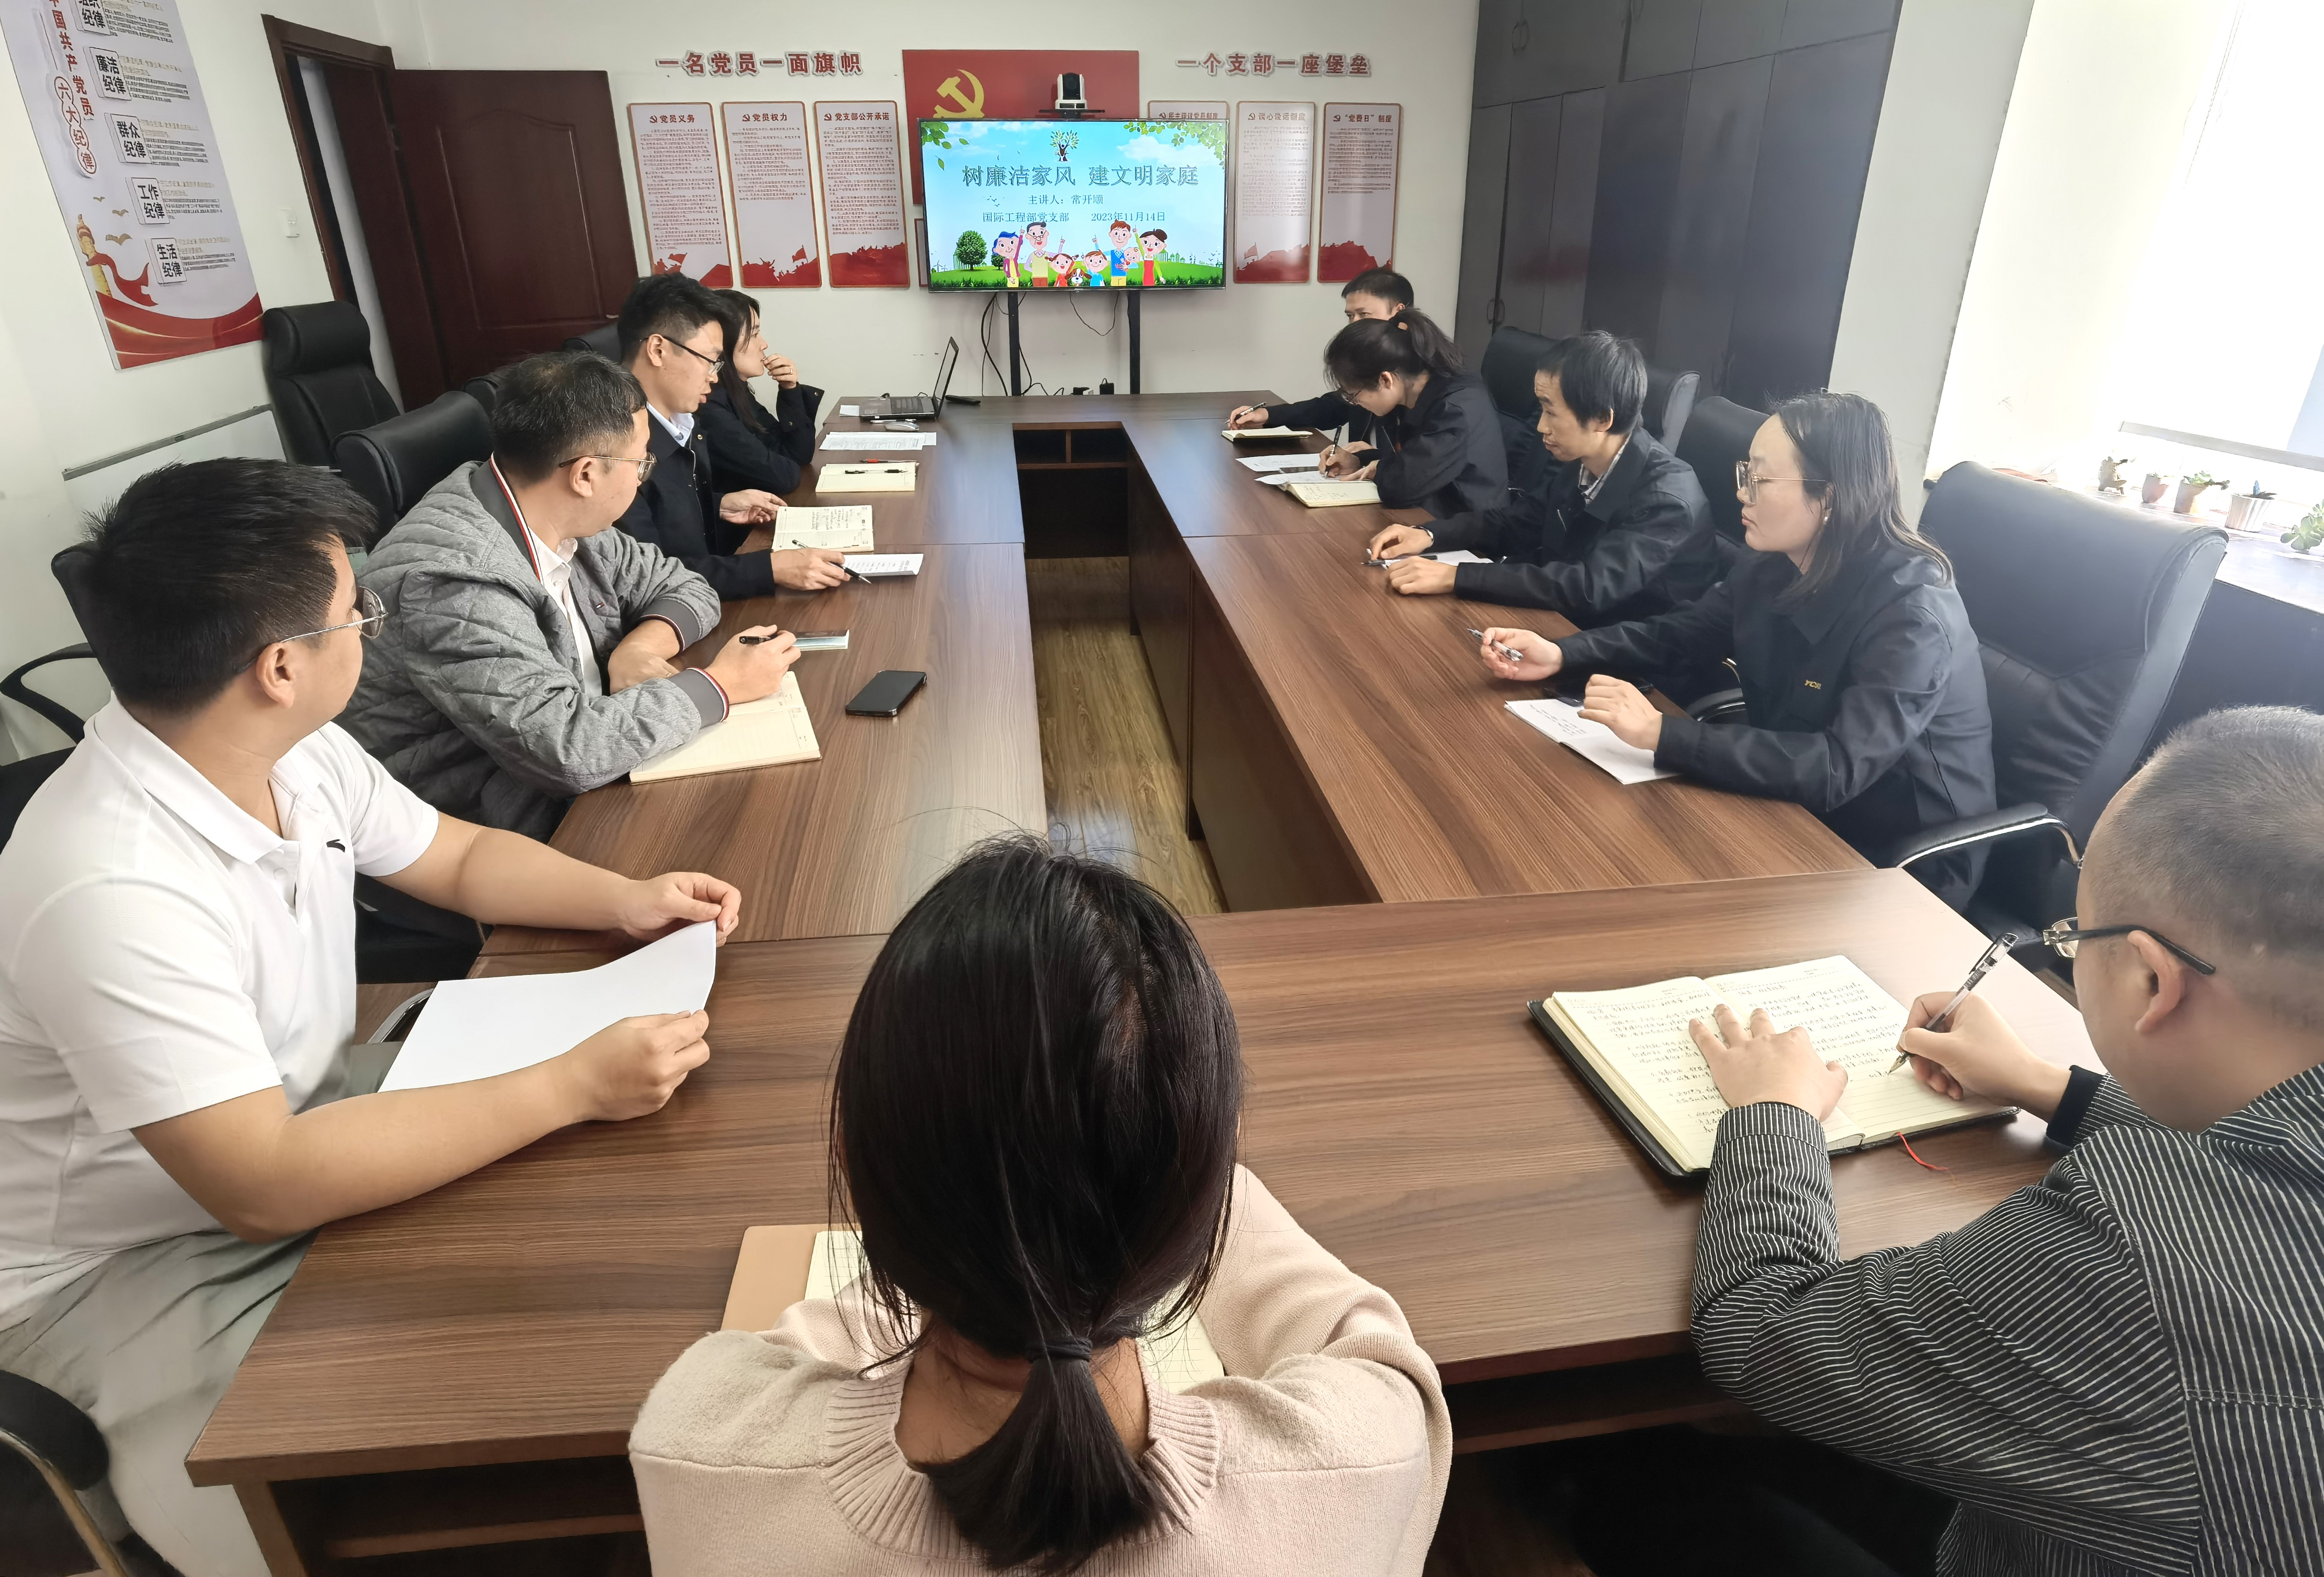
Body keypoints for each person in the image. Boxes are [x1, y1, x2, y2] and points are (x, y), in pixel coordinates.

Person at [0, 458, 743, 1577]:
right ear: (280, 664)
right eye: (359, 611)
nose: (370, 628)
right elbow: (260, 1184)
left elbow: (457, 854)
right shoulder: (108, 882)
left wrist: (626, 899)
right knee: (440, 1432)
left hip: (283, 1120)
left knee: (603, 1232)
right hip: (123, 1258)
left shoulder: (283, 745)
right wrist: (567, 1082)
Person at [1619, 704, 2324, 1575]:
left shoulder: (2141, 1243)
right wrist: (2046, 1085)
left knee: (1647, 1482)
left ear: (2151, 978)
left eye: (2074, 936)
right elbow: (2271, 1154)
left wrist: (1774, 1114)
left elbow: (1762, 1332)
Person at [630, 838, 1451, 1575]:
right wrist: (1181, 1164)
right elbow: (1374, 1347)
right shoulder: (1363, 1452)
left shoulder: (697, 1438)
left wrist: (964, 1237)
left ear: (852, 1162)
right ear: (1202, 1189)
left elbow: (797, 1357)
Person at [1476, 390, 1995, 908]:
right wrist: (1562, 653)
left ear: (1829, 496)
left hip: (1901, 863)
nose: (1742, 493)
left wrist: (1662, 733)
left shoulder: (1912, 613)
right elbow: (1679, 634)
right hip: (1790, 805)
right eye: (1745, 471)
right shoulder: (1775, 562)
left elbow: (1837, 767)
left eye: (1761, 479)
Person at [346, 349, 799, 837]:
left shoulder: (554, 510)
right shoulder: (454, 581)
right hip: (495, 825)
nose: (644, 475)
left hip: (587, 771)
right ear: (585, 474)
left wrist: (637, 649)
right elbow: (569, 751)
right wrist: (722, 685)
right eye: (641, 462)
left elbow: (684, 583)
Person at [1366, 331, 1720, 632]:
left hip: (1627, 656)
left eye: (1550, 411)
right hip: (1565, 623)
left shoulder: (1667, 498)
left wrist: (1454, 577)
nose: (1540, 427)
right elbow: (1516, 522)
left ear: (1601, 419)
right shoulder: (1582, 459)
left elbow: (1588, 586)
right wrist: (1429, 535)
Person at [612, 272, 846, 600]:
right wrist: (771, 569)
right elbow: (648, 576)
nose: (714, 376)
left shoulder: (681, 423)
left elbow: (664, 518)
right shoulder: (615, 447)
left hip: (704, 599)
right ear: (658, 350)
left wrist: (718, 504)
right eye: (709, 360)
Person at [1294, 310, 1507, 517]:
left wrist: (1379, 467)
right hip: (1427, 513)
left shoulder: (1455, 410)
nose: (1355, 403)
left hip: (1468, 529)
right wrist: (1361, 460)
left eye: (1354, 395)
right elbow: (1414, 462)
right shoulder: (1411, 393)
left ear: (1385, 380)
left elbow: (1401, 488)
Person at [1224, 268, 1411, 433]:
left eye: (1363, 314)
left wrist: (1372, 457)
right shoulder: (1365, 359)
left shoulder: (1416, 373)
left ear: (1398, 312)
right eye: (1350, 316)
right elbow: (1333, 408)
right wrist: (1267, 415)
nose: (1354, 324)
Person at [696, 287, 823, 498]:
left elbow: (798, 454)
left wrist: (790, 390)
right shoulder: (709, 404)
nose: (764, 344)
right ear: (722, 343)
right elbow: (782, 477)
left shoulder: (737, 392)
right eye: (754, 334)